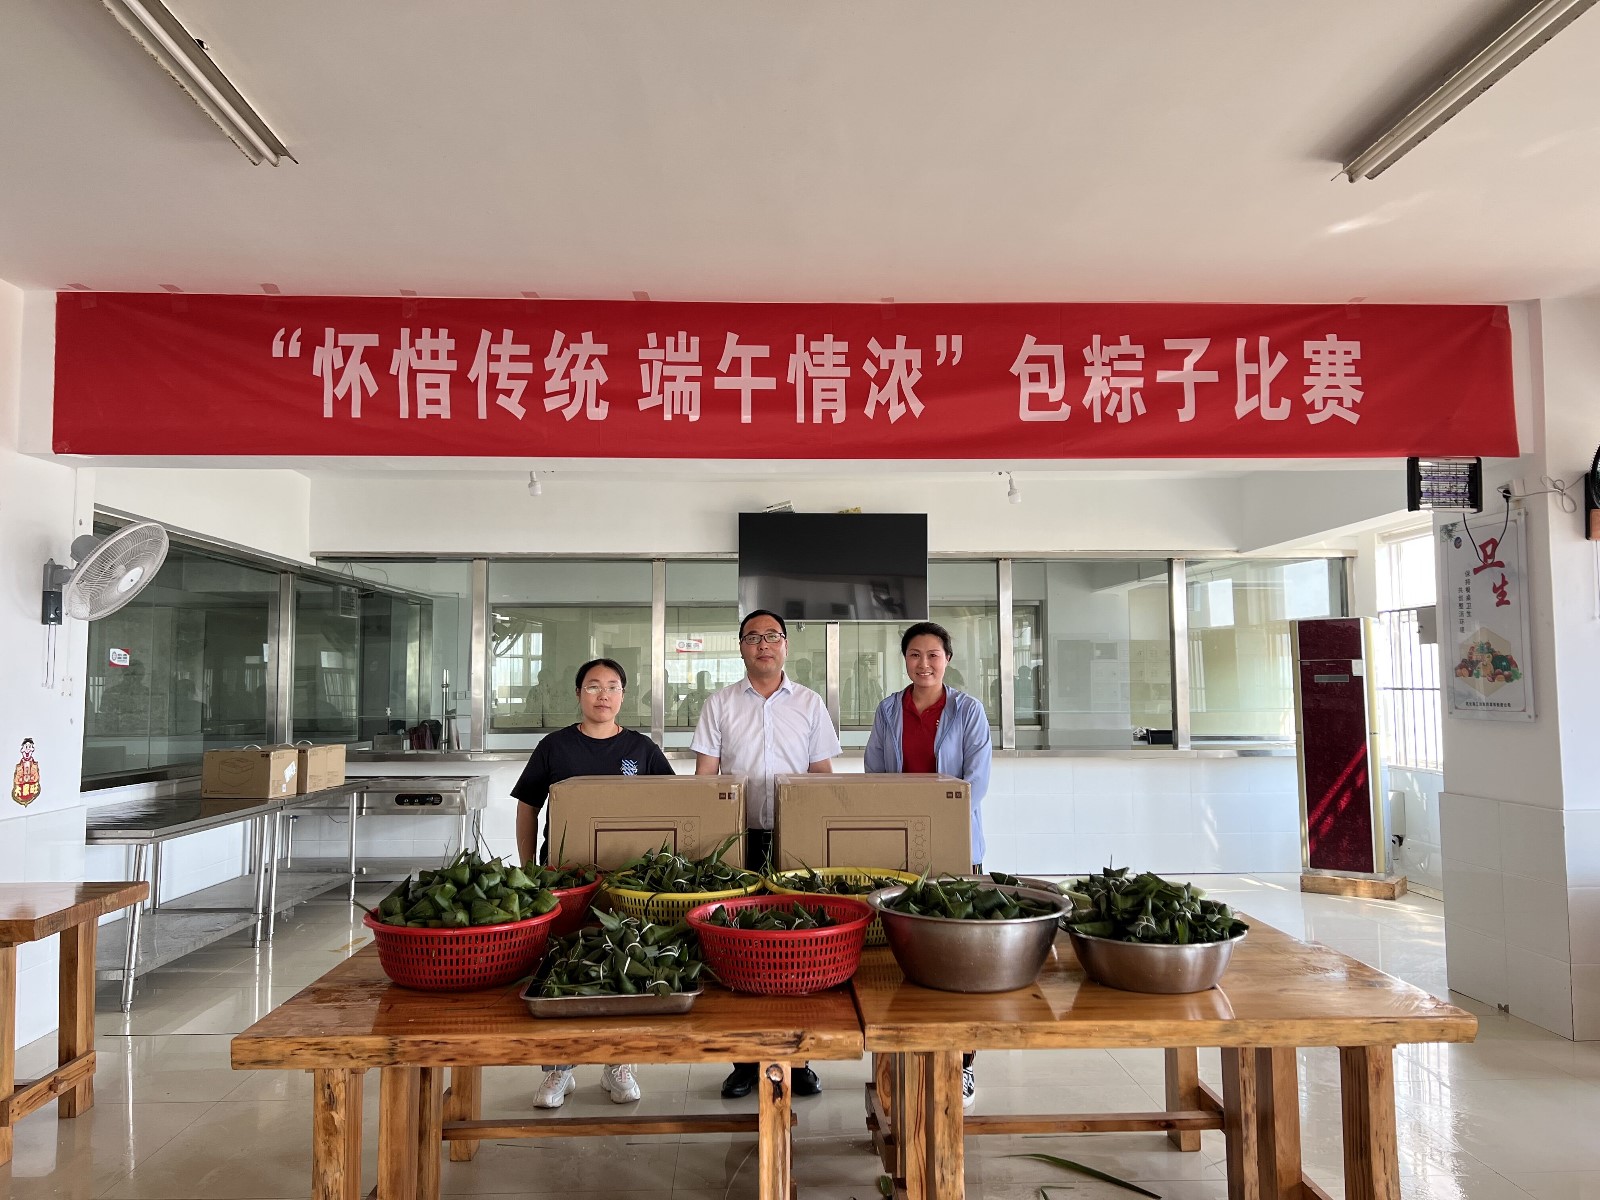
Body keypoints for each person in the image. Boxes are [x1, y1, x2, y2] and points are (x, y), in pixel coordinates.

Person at [510, 657, 674, 1109]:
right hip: (566, 878)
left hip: (629, 882)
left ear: (624, 695)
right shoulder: (554, 747)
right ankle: (559, 1067)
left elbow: (673, 803)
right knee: (561, 965)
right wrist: (529, 867)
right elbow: (527, 806)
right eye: (594, 686)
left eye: (613, 686)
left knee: (623, 963)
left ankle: (618, 1062)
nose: (604, 695)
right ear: (579, 693)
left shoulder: (641, 749)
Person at [693, 609, 841, 1100]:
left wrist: (822, 838)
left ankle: (798, 1061)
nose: (763, 644)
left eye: (772, 636)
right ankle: (742, 1061)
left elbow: (821, 775)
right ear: (741, 647)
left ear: (785, 646)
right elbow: (706, 779)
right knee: (737, 947)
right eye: (753, 637)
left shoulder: (810, 703)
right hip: (738, 841)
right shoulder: (719, 703)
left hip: (796, 842)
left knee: (798, 944)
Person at [863, 620, 993, 1110]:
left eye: (933, 655)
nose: (924, 664)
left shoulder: (967, 710)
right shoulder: (888, 709)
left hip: (956, 846)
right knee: (899, 950)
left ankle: (963, 1063)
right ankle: (896, 1058)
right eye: (915, 655)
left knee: (960, 955)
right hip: (901, 847)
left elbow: (976, 781)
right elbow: (876, 774)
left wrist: (938, 821)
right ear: (905, 660)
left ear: (947, 660)